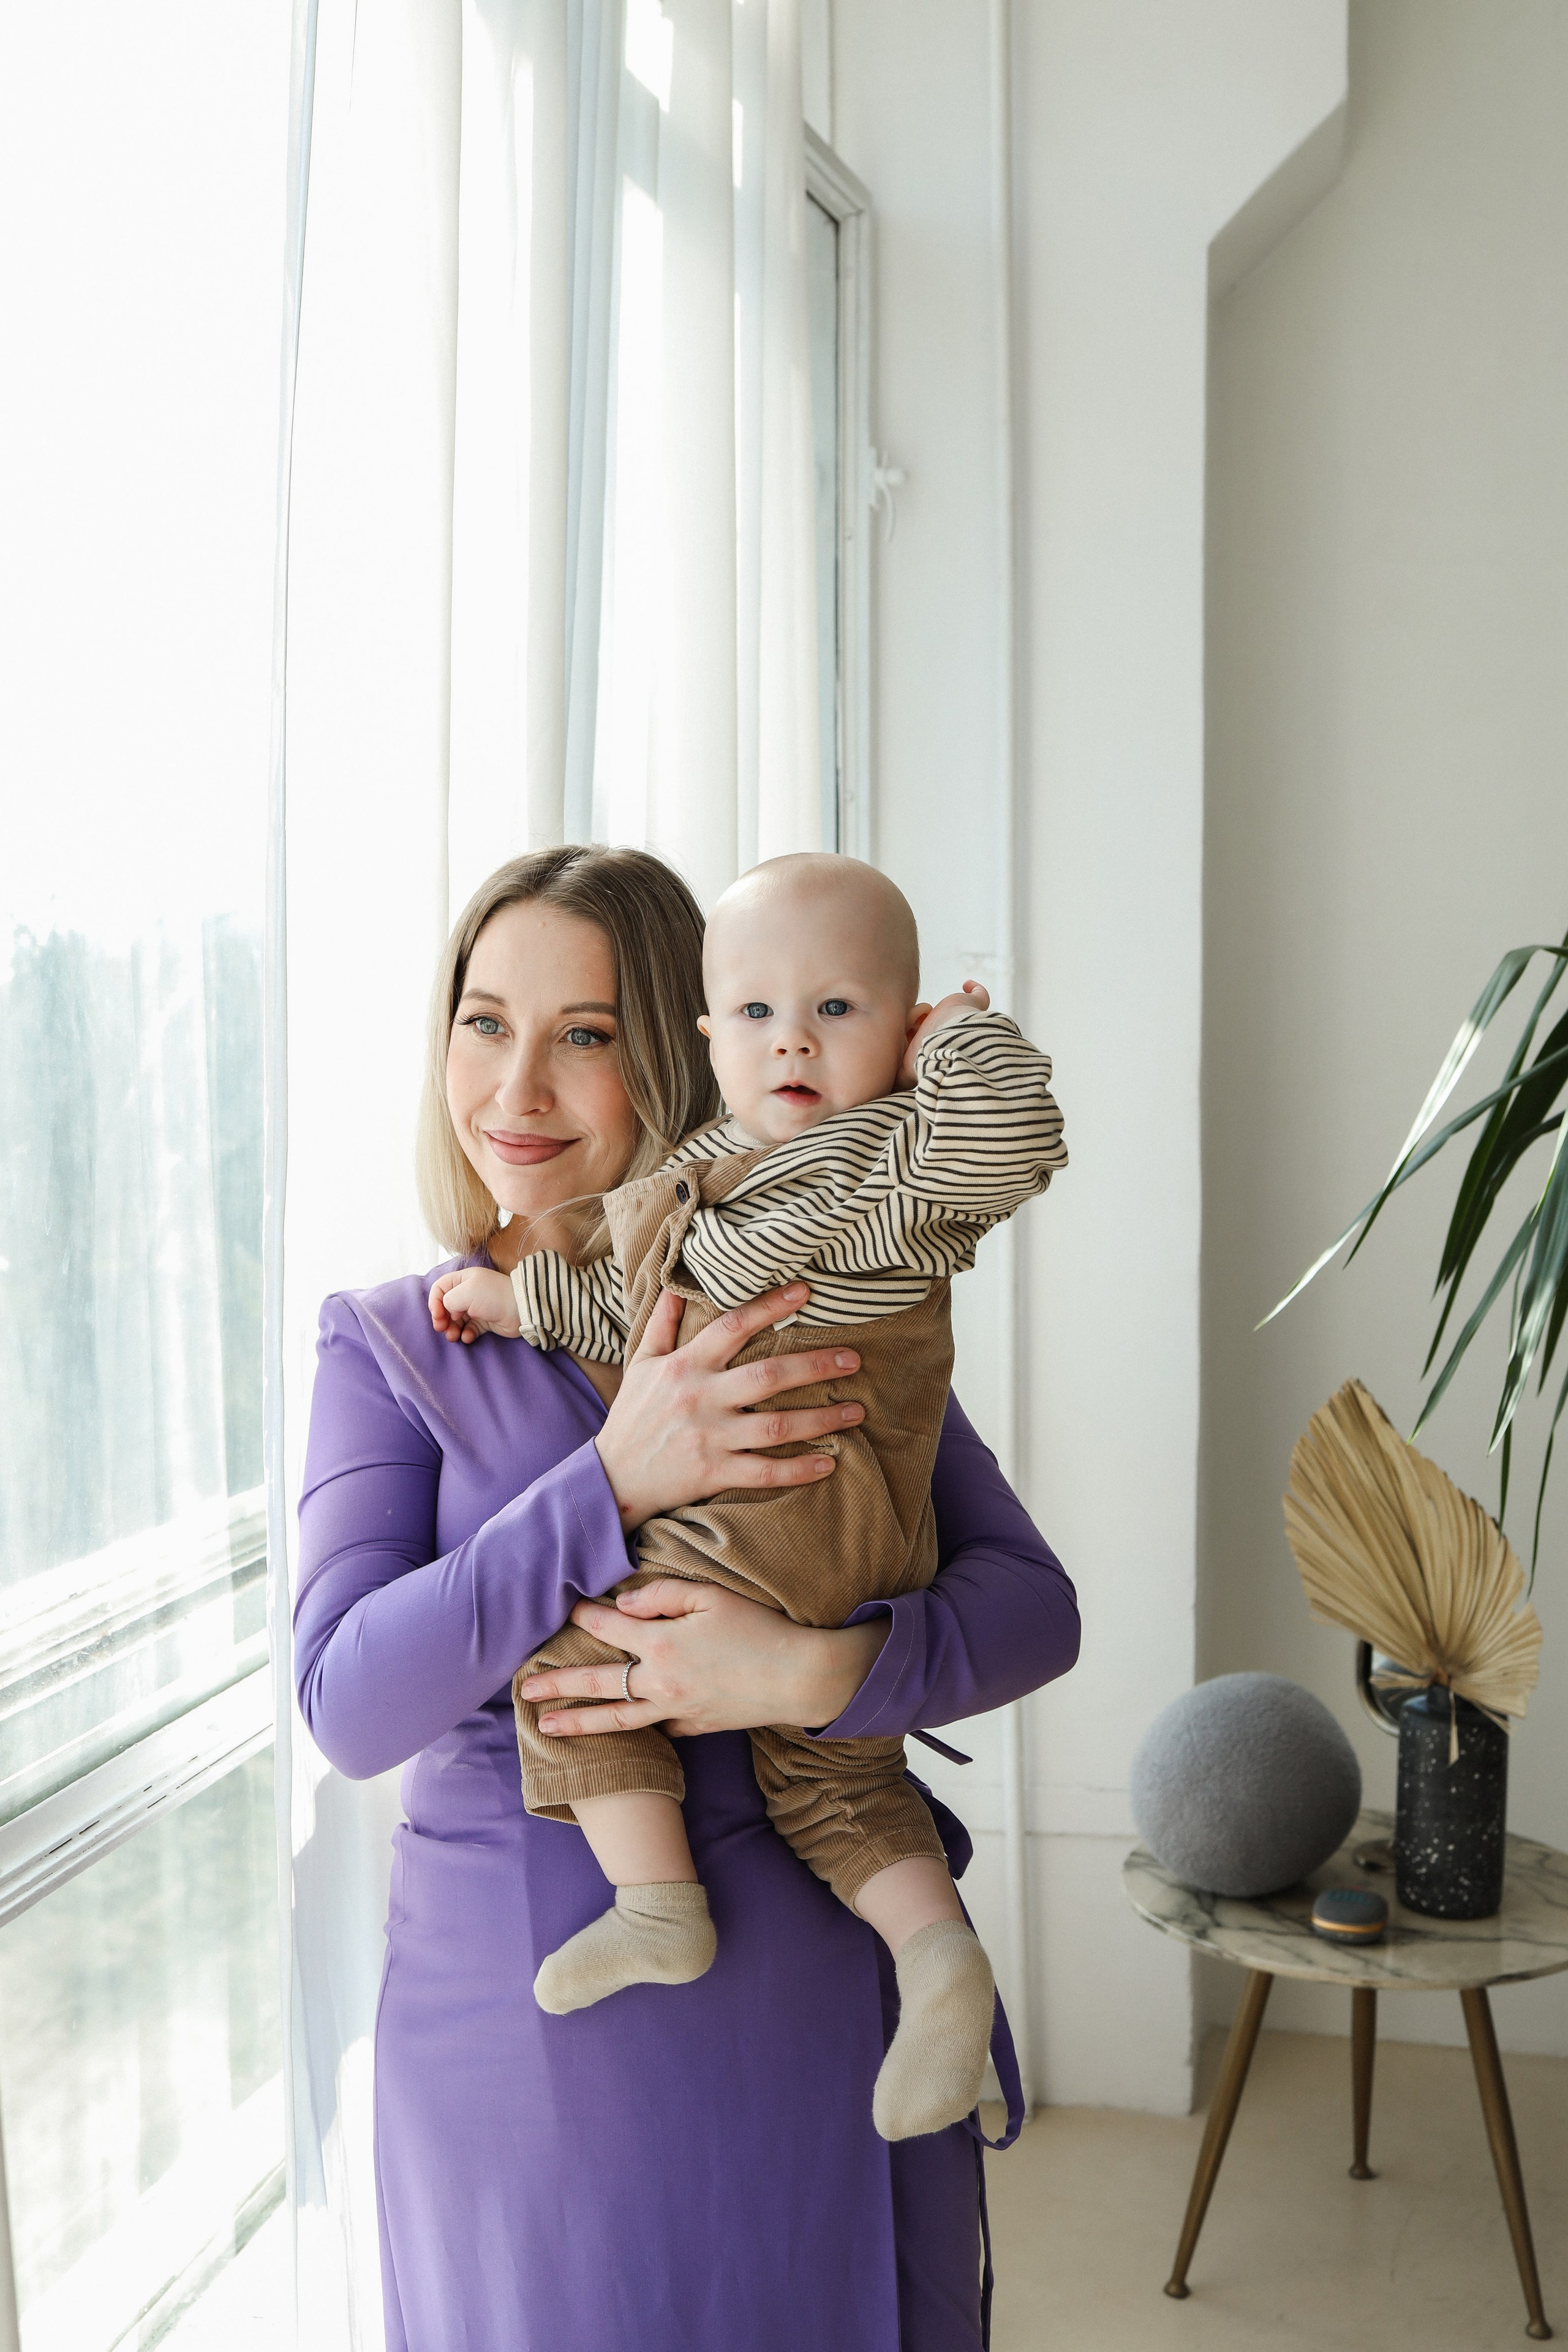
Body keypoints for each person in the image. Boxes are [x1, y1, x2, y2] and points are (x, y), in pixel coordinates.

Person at [294, 843, 1081, 2352]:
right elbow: (348, 1704)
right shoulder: (398, 1344)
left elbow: (1032, 1609)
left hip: (822, 2000)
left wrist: (803, 1674)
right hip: (535, 2049)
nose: (516, 1087)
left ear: (677, 1046)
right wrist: (608, 1482)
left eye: (583, 1034)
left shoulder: (790, 1298)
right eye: (483, 1022)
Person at [428, 854, 1067, 2149]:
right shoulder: (711, 1172)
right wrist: (516, 1307)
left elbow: (1015, 1136)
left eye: (838, 1011)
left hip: (789, 1517)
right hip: (849, 1545)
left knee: (575, 1654)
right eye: (761, 1014)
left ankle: (658, 1903)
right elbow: (639, 1306)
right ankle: (937, 1952)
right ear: (712, 1036)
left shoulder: (889, 1161)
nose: (794, 1044)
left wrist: (960, 1039)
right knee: (839, 1778)